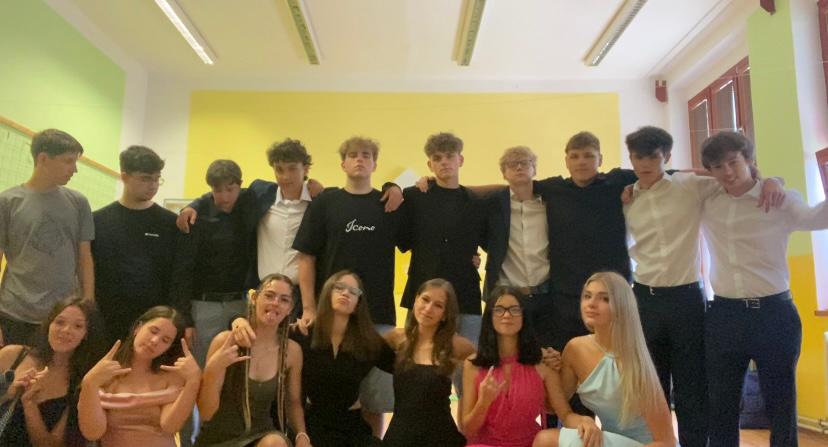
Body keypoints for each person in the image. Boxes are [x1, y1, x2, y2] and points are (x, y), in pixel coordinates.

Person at [699, 131, 828, 447]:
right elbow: (673, 179)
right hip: (724, 315)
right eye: (718, 166)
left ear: (749, 159)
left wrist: (773, 181)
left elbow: (816, 218)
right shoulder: (708, 201)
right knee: (721, 403)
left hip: (774, 314)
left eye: (733, 162)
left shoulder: (780, 200)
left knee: (780, 403)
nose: (727, 172)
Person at [292, 136, 403, 433]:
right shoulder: (325, 203)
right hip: (331, 319)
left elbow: (421, 239)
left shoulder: (389, 204)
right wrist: (309, 308)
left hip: (377, 316)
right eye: (353, 155)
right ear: (343, 163)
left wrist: (395, 187)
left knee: (375, 401)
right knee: (327, 394)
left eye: (366, 155)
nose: (359, 159)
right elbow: (306, 258)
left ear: (375, 164)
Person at [230, 270, 395, 447]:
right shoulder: (303, 333)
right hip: (313, 424)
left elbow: (404, 369)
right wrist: (237, 320)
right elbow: (265, 328)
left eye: (353, 291)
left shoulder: (368, 341)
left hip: (352, 425)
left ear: (358, 303)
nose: (346, 293)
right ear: (327, 292)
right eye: (339, 287)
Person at [534, 272, 676, 447]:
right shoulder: (575, 348)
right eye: (587, 296)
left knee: (546, 440)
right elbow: (552, 407)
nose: (591, 304)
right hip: (610, 440)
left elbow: (666, 442)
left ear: (622, 306)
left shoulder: (635, 362)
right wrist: (550, 369)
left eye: (605, 299)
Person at [0, 129, 94, 345]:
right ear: (43, 159)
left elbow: (85, 258)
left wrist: (88, 307)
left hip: (63, 316)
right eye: (68, 161)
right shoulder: (7, 202)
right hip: (14, 312)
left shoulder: (79, 203)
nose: (74, 169)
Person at [196, 273, 308, 447]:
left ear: (290, 309)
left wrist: (302, 436)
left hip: (260, 436)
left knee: (276, 443)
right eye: (269, 295)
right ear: (254, 298)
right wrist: (213, 369)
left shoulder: (292, 352)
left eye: (284, 300)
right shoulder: (225, 341)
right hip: (218, 438)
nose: (275, 303)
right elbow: (205, 413)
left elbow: (293, 402)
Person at [399, 132, 489, 347]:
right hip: (423, 292)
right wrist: (390, 187)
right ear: (429, 164)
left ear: (461, 160)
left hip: (465, 293)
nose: (444, 162)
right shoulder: (414, 196)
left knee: (468, 357)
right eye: (437, 158)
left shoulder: (476, 202)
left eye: (450, 156)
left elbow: (504, 191)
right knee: (415, 355)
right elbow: (402, 240)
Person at [462, 286, 574, 447]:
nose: (507, 315)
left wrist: (584, 423)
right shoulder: (473, 364)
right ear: (490, 316)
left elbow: (565, 413)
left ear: (524, 316)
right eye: (499, 310)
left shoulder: (543, 361)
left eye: (514, 309)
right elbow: (468, 430)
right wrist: (483, 402)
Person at [92, 145, 182, 344]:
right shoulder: (98, 221)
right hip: (107, 320)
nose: (153, 185)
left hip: (154, 324)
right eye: (145, 178)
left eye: (157, 179)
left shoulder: (170, 223)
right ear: (124, 177)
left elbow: (176, 276)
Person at [78, 306, 201, 447]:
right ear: (138, 327)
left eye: (165, 340)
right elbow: (92, 433)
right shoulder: (106, 373)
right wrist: (90, 382)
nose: (155, 341)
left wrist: (193, 380)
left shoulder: (171, 376)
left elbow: (170, 426)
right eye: (153, 331)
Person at [382, 279, 475, 447]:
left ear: (445, 314)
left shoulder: (457, 345)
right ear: (415, 300)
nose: (428, 308)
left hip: (440, 438)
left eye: (438, 305)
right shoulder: (396, 338)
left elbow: (487, 364)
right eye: (425, 299)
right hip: (400, 437)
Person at [0, 297, 104, 446]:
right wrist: (8, 393)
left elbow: (50, 445)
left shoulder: (79, 384)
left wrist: (30, 406)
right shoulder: (12, 355)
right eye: (60, 322)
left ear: (86, 334)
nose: (66, 330)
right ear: (49, 324)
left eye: (78, 326)